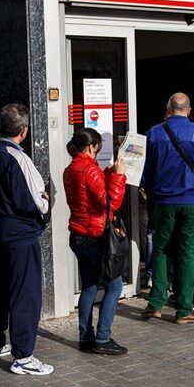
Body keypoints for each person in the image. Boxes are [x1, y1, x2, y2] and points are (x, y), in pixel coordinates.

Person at [0, 103, 53, 375]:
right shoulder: (19, 159)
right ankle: (23, 356)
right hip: (20, 234)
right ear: (23, 131)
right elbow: (37, 201)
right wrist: (46, 202)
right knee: (25, 293)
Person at [140, 93, 194, 324]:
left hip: (164, 201)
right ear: (188, 109)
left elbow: (145, 171)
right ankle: (184, 310)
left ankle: (155, 304)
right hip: (193, 201)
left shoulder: (154, 133)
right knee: (188, 253)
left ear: (168, 109)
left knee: (161, 250)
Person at [62, 127, 128, 355]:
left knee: (89, 286)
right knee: (115, 286)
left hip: (78, 234)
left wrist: (108, 173)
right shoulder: (89, 169)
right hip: (94, 235)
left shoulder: (71, 169)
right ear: (91, 147)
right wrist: (118, 176)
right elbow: (110, 202)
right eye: (98, 148)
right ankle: (102, 337)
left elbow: (91, 194)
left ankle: (85, 337)